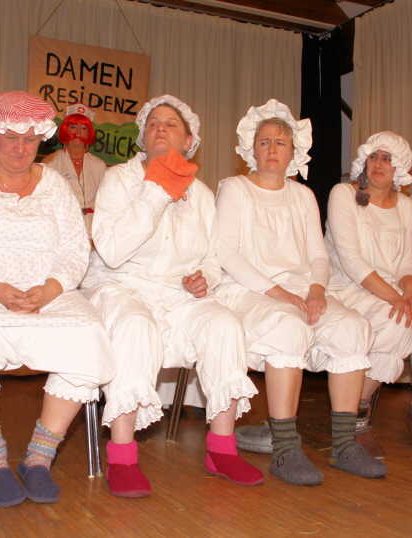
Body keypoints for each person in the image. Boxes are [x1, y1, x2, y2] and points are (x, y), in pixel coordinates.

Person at [0, 91, 115, 507]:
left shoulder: (56, 187)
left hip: (44, 292)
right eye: (11, 137)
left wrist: (49, 289)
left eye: (29, 140)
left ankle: (38, 460)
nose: (19, 148)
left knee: (88, 332)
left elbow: (74, 251)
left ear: (42, 139)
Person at [83, 95, 262, 498]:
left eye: (171, 124)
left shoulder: (201, 194)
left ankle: (222, 450)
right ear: (143, 137)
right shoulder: (119, 179)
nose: (160, 128)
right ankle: (122, 456)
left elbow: (213, 257)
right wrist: (156, 190)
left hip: (178, 294)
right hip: (122, 285)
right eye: (153, 124)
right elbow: (111, 251)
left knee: (223, 324)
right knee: (135, 326)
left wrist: (204, 278)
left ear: (189, 140)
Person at [216, 100, 385, 485]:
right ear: (251, 149)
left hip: (299, 291)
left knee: (352, 327)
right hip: (248, 290)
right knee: (288, 328)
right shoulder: (235, 189)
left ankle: (344, 445)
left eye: (280, 142)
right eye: (264, 142)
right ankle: (284, 448)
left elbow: (318, 255)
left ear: (294, 151)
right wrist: (278, 292)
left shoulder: (303, 196)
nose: (272, 149)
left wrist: (317, 291)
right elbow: (226, 253)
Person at [325, 131, 412, 457]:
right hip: (348, 287)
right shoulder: (343, 194)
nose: (379, 164)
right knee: (398, 323)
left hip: (390, 289)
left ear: (399, 167)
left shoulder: (406, 206)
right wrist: (396, 299)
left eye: (387, 158)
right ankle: (355, 416)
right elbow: (351, 261)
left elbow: (406, 262)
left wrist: (410, 292)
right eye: (374, 157)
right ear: (364, 161)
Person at [43, 103, 107, 235]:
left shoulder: (100, 165)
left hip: (94, 230)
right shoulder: (51, 163)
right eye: (73, 127)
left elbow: (106, 204)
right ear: (65, 130)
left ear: (89, 133)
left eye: (84, 128)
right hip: (61, 228)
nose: (78, 133)